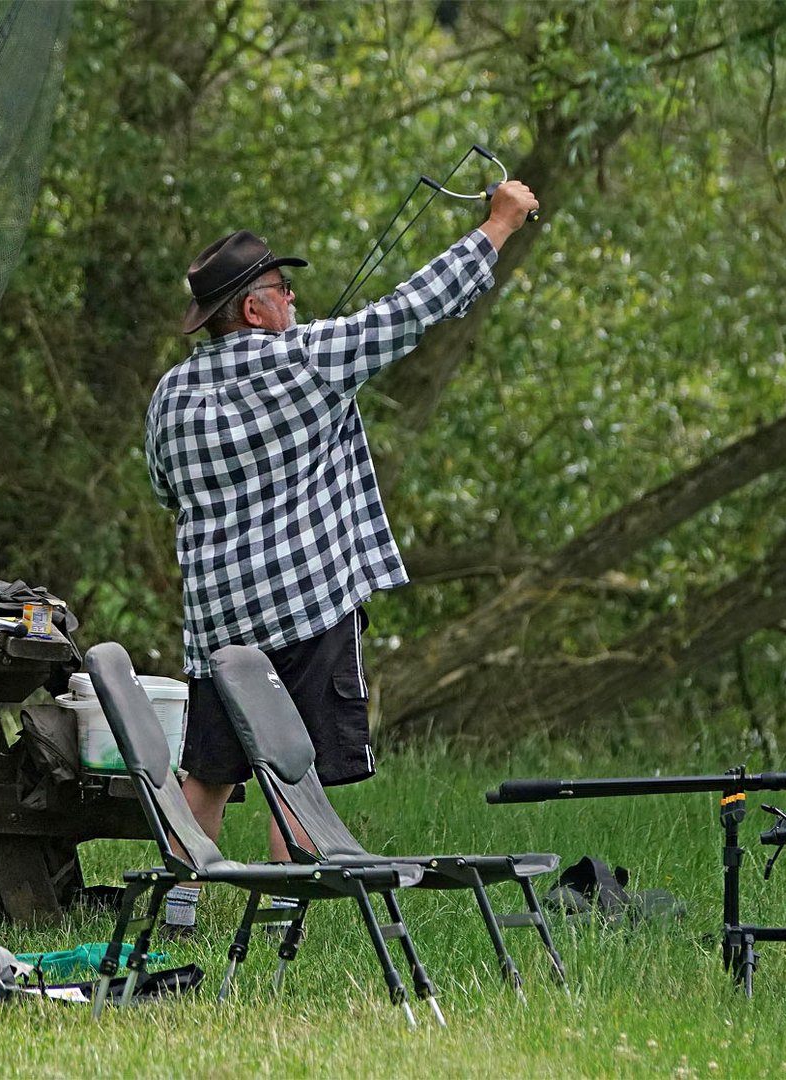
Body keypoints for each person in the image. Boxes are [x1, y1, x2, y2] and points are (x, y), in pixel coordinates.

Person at [145, 180, 541, 933]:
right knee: (294, 780)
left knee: (208, 775)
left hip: (219, 628)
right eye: (283, 292)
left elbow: (167, 488)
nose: (294, 302)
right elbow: (414, 307)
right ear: (255, 309)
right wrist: (499, 222)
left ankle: (177, 914)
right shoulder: (308, 361)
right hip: (310, 611)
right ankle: (277, 926)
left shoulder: (169, 395)